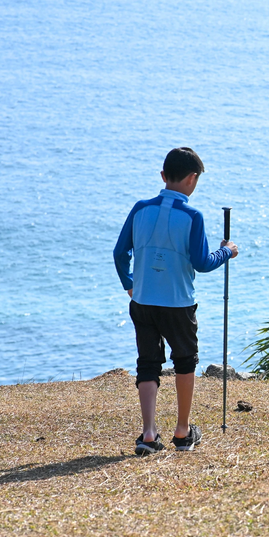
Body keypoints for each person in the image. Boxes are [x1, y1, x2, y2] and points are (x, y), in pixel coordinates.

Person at [113, 147, 239, 456]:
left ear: (163, 176)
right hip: (178, 303)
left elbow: (119, 253)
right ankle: (182, 433)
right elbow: (202, 262)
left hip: (142, 300)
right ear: (192, 179)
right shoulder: (192, 216)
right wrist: (228, 251)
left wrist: (130, 284)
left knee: (147, 363)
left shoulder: (140, 209)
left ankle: (148, 433)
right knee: (184, 361)